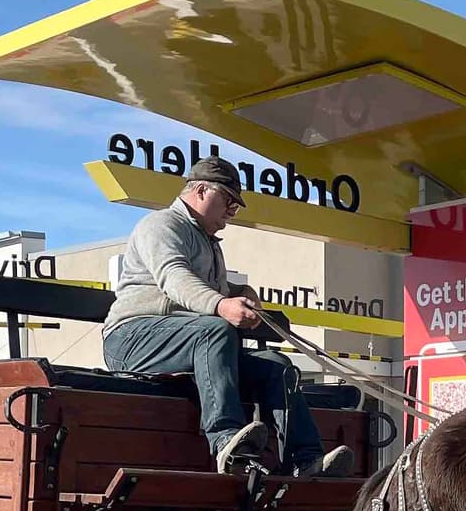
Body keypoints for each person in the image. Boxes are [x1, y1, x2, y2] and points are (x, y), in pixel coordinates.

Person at [100, 156, 353, 477]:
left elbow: (205, 286)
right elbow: (173, 278)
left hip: (187, 343)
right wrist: (222, 305)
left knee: (277, 366)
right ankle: (225, 442)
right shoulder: (161, 225)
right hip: (132, 340)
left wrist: (239, 290)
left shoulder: (206, 241)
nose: (232, 212)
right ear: (201, 191)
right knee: (214, 330)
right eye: (228, 201)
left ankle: (305, 461)